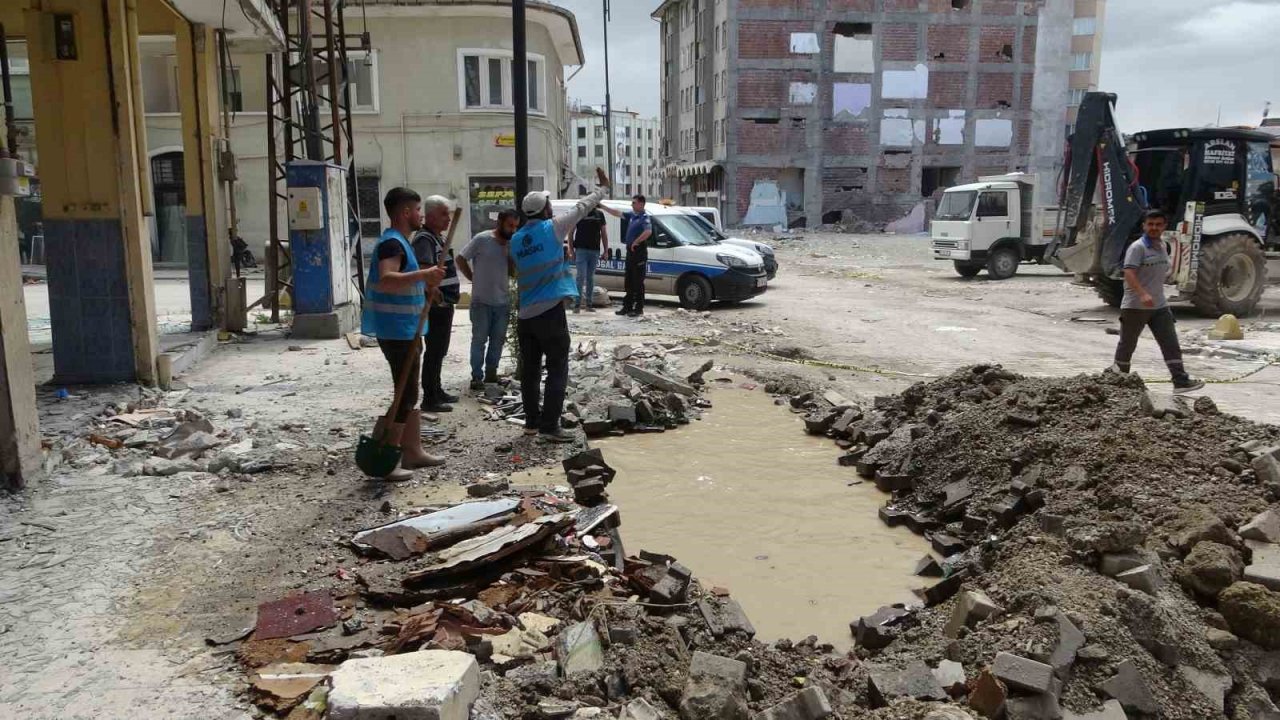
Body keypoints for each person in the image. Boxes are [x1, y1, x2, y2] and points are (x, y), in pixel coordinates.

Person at [513, 170, 611, 443]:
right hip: (549, 311)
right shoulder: (552, 228)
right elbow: (582, 207)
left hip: (525, 313)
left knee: (530, 371)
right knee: (558, 367)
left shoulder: (517, 239)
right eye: (548, 203)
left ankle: (531, 423)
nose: (551, 206)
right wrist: (603, 189)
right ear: (544, 209)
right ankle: (550, 427)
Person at [362, 187, 447, 479]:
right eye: (418, 209)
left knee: (410, 391)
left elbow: (404, 282)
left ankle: (412, 451)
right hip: (396, 331)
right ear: (405, 212)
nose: (421, 215)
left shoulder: (402, 243)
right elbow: (387, 280)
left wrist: (427, 290)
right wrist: (424, 275)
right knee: (406, 393)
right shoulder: (391, 244)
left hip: (408, 328)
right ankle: (389, 458)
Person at [1109, 209, 1204, 393]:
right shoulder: (1137, 248)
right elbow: (1129, 273)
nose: (1154, 228)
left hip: (1159, 306)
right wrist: (1143, 294)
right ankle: (1119, 383)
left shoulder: (1162, 246)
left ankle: (1180, 381)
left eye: (1158, 224)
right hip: (1135, 307)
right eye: (1150, 224)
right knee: (1127, 344)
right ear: (1144, 226)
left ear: (1164, 226)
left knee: (1170, 343)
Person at [457, 209, 518, 391]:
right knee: (479, 340)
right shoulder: (482, 239)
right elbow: (461, 258)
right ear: (499, 222)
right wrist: (472, 278)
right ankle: (477, 377)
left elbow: (513, 273)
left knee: (497, 341)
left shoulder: (512, 244)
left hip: (502, 302)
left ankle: (491, 374)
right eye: (509, 225)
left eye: (515, 226)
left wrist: (510, 254)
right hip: (481, 302)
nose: (513, 230)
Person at [413, 196, 461, 413]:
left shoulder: (437, 238)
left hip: (444, 304)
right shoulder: (425, 239)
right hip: (435, 306)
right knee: (434, 350)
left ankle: (437, 389)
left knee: (439, 350)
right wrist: (436, 294)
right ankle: (430, 397)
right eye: (443, 214)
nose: (448, 219)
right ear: (430, 215)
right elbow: (425, 269)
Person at [602, 195, 652, 317]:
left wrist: (636, 241)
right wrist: (603, 206)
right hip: (630, 252)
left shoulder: (644, 217)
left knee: (638, 282)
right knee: (628, 281)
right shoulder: (632, 215)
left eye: (634, 203)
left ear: (641, 204)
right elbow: (617, 213)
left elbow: (648, 232)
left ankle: (638, 308)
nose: (632, 205)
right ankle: (627, 307)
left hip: (638, 252)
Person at [568, 208, 608, 313]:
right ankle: (577, 304)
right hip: (581, 250)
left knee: (590, 277)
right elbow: (571, 232)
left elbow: (603, 233)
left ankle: (589, 304)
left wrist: (606, 251)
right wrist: (571, 249)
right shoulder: (580, 212)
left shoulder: (600, 214)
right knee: (580, 276)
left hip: (594, 250)